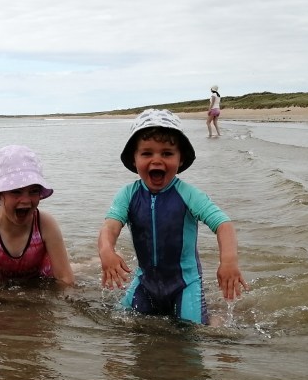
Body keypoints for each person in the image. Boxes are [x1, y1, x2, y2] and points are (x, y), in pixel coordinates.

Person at [98, 109, 247, 324]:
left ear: (181, 159)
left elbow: (223, 224)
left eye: (167, 153)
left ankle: (216, 319)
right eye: (147, 153)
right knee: (118, 324)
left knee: (193, 334)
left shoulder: (189, 195)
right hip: (144, 283)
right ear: (134, 159)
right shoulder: (127, 195)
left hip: (185, 285)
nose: (156, 160)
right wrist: (106, 251)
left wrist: (229, 262)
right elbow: (109, 227)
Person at [0, 145, 74, 297]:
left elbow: (65, 279)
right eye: (16, 191)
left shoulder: (45, 224)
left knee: (77, 269)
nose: (26, 200)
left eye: (34, 191)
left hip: (43, 281)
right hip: (4, 285)